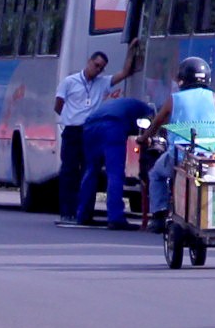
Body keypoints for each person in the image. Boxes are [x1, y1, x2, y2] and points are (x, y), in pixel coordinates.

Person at [147, 55, 215, 223]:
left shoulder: (174, 99)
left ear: (182, 79)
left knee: (155, 174)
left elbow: (157, 123)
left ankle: (159, 213)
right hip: (208, 159)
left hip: (180, 158)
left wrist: (143, 138)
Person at [72, 60, 147, 228]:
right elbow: (148, 128)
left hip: (90, 126)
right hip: (112, 127)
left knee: (91, 170)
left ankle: (83, 214)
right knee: (115, 173)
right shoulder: (146, 110)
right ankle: (116, 218)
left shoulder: (122, 103)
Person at [52, 53, 112, 221]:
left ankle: (84, 212)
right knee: (69, 171)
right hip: (72, 130)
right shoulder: (70, 81)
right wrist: (69, 117)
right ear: (89, 61)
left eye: (101, 67)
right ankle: (67, 211)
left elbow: (124, 74)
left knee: (89, 171)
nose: (97, 69)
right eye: (96, 64)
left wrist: (132, 51)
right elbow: (58, 104)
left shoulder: (102, 83)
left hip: (90, 132)